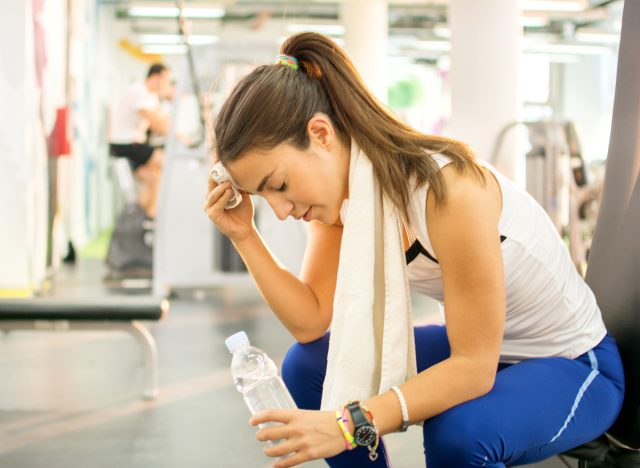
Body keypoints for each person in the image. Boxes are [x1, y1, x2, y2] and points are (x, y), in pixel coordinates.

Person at [204, 33, 624, 468]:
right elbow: (310, 322)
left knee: (459, 433)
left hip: (573, 363)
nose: (281, 208)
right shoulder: (344, 205)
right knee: (307, 367)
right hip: (492, 349)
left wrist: (349, 423)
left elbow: (473, 368)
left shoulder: (448, 191)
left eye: (279, 185)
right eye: (263, 195)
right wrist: (245, 235)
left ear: (321, 133)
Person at [109, 63, 172, 219]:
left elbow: (162, 120)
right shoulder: (138, 92)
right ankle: (151, 214)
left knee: (154, 178)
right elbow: (157, 125)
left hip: (132, 144)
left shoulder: (149, 96)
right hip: (125, 144)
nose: (166, 84)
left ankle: (143, 216)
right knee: (165, 162)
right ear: (155, 77)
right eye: (165, 80)